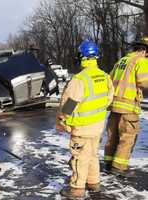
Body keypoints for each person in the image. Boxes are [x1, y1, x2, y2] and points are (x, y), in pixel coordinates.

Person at [56, 40, 114, 199]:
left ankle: (76, 189)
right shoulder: (104, 76)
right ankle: (94, 183)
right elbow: (109, 100)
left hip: (81, 128)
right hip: (97, 127)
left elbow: (69, 105)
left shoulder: (80, 79)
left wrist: (62, 120)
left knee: (79, 158)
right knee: (93, 155)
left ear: (82, 57)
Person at [104, 37, 148, 177]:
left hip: (114, 105)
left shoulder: (122, 60)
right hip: (128, 106)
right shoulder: (140, 61)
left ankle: (109, 163)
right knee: (127, 137)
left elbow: (109, 80)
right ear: (144, 50)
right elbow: (144, 82)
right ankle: (119, 167)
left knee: (113, 136)